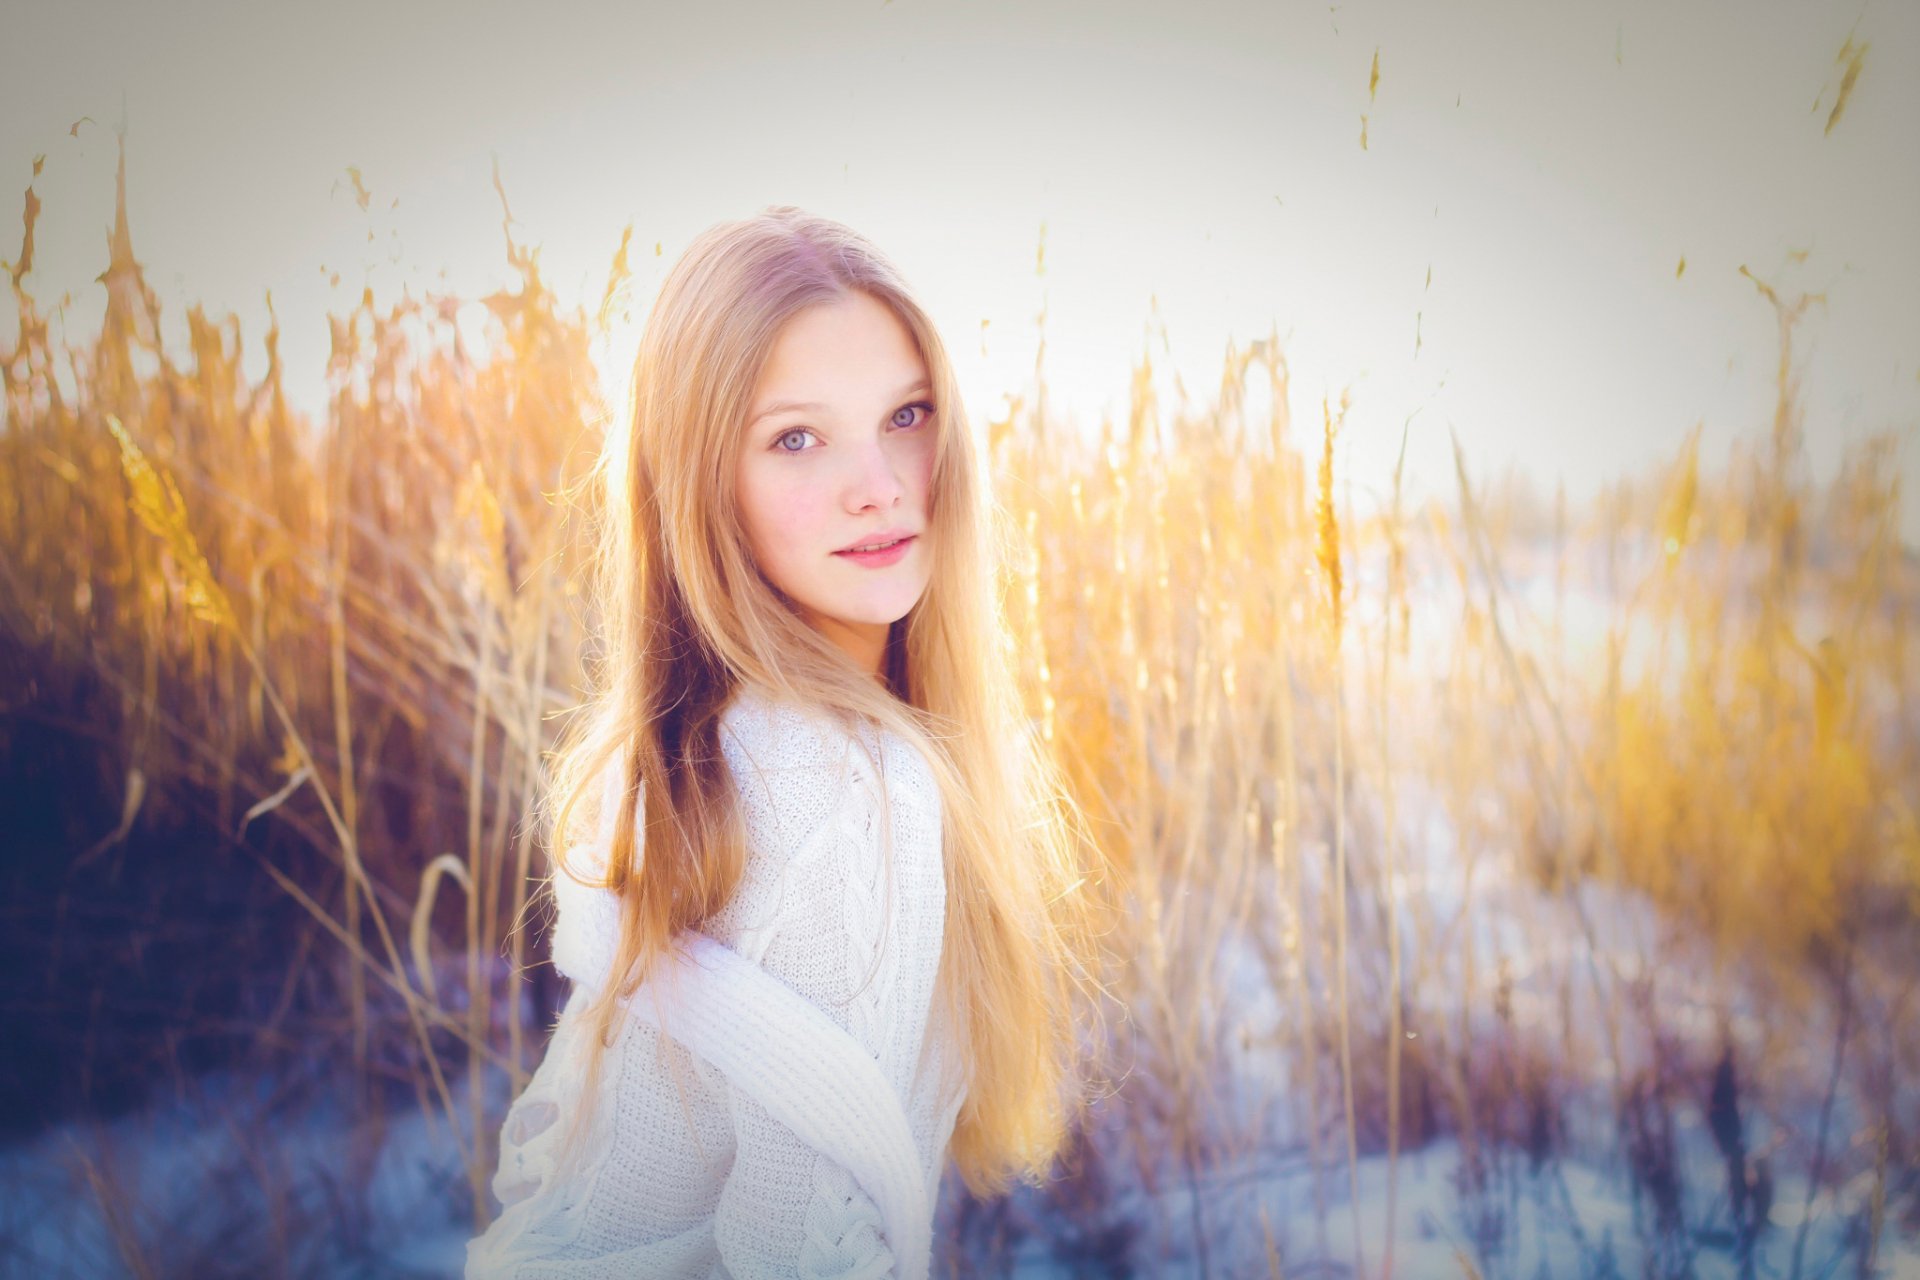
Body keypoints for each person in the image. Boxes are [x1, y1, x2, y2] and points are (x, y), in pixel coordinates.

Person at [465, 206, 1111, 1278]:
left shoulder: (697, 749)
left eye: (906, 414)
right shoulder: (836, 786)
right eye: (797, 438)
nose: (880, 484)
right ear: (702, 483)